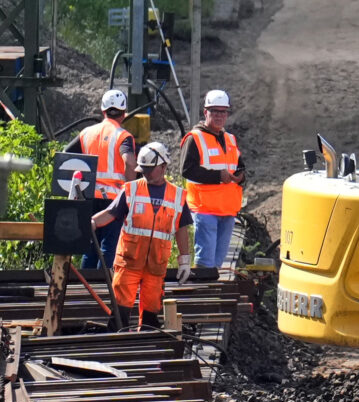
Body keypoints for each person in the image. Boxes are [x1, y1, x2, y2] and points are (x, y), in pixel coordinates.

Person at [92, 141, 193, 330]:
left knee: (150, 314)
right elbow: (110, 213)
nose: (144, 173)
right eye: (143, 169)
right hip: (129, 262)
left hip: (155, 266)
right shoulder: (131, 189)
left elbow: (181, 228)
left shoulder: (177, 196)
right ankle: (116, 345)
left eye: (149, 169)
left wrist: (184, 260)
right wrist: (91, 223)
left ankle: (146, 344)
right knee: (120, 310)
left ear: (163, 166)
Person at [67, 89, 136, 270]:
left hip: (88, 198)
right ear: (123, 113)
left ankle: (86, 290)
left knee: (89, 248)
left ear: (103, 110)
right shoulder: (123, 136)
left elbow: (66, 154)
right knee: (109, 247)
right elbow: (129, 162)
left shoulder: (87, 133)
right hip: (113, 200)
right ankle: (103, 290)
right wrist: (131, 190)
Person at [180, 90, 245, 272]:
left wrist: (241, 176)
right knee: (205, 262)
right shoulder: (195, 139)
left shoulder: (230, 139)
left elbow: (239, 166)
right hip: (205, 208)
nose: (219, 116)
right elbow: (186, 170)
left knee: (217, 263)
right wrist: (218, 177)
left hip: (227, 209)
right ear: (205, 112)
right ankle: (201, 295)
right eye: (214, 111)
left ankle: (211, 292)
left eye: (222, 112)